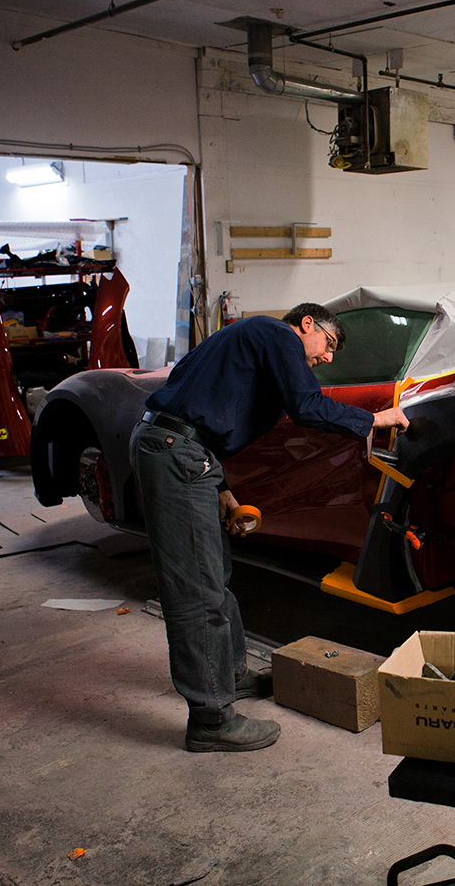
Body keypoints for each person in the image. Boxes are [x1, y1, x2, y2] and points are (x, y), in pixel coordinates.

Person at [130, 303, 409, 752]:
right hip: (176, 453)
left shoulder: (246, 339)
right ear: (305, 324)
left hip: (182, 451)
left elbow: (194, 400)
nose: (327, 357)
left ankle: (231, 677)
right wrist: (376, 418)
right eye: (328, 344)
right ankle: (210, 720)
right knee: (196, 592)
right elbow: (307, 407)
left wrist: (219, 485)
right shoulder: (278, 335)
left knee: (214, 579)